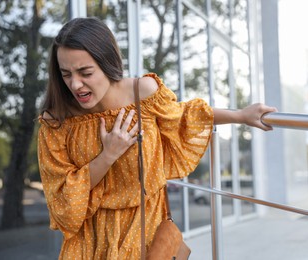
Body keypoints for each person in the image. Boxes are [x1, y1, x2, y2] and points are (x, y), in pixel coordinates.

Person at [37, 17, 277, 260]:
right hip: (89, 244)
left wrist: (240, 116)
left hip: (145, 235)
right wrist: (107, 155)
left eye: (85, 72)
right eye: (66, 74)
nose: (75, 84)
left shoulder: (143, 92)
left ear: (107, 63)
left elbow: (185, 117)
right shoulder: (55, 121)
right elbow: (62, 199)